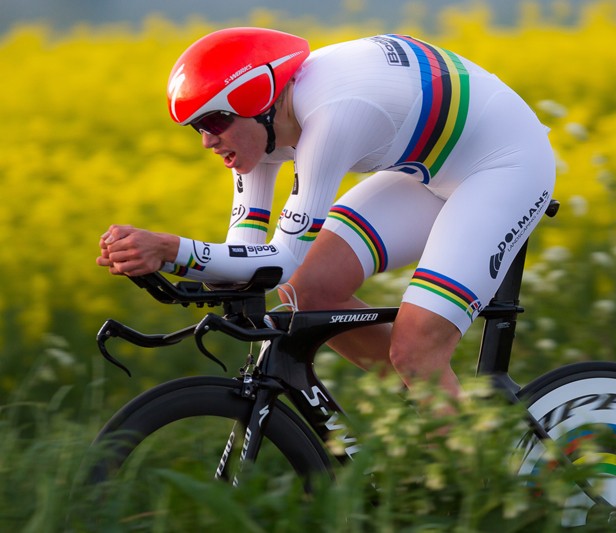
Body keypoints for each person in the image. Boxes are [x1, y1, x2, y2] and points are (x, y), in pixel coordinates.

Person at [97, 27, 556, 401]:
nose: (206, 140)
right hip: (432, 171)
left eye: (214, 122)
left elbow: (279, 260)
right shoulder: (265, 129)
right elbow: (249, 255)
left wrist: (169, 249)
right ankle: (434, 413)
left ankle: (480, 486)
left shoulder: (332, 115)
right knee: (306, 294)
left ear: (259, 103)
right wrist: (175, 262)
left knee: (417, 348)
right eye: (197, 127)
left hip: (504, 166)